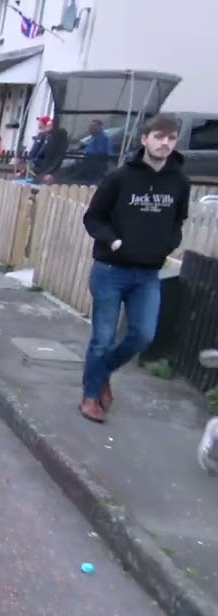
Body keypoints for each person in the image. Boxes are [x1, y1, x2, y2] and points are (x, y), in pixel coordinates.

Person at [78, 114, 190, 423]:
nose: (165, 143)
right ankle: (90, 397)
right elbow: (93, 218)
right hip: (110, 270)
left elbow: (178, 219)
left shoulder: (179, 182)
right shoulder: (120, 178)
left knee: (143, 335)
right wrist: (114, 242)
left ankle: (101, 372)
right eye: (159, 137)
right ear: (145, 139)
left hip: (148, 274)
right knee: (103, 337)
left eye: (171, 138)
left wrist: (168, 243)